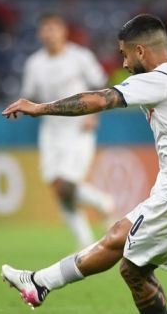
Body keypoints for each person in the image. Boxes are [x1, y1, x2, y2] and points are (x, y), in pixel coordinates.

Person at [1, 14, 167, 313]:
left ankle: (39, 283)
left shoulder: (160, 79)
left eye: (125, 55)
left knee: (131, 268)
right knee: (120, 240)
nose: (125, 65)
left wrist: (41, 108)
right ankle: (39, 283)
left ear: (140, 51)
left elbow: (102, 99)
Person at [20, 13, 114, 248]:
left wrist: (94, 114)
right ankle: (90, 231)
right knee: (57, 187)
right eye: (45, 29)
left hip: (78, 128)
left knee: (67, 185)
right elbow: (29, 95)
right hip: (51, 131)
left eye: (53, 28)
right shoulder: (34, 64)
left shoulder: (80, 57)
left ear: (63, 31)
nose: (49, 33)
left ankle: (98, 215)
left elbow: (100, 84)